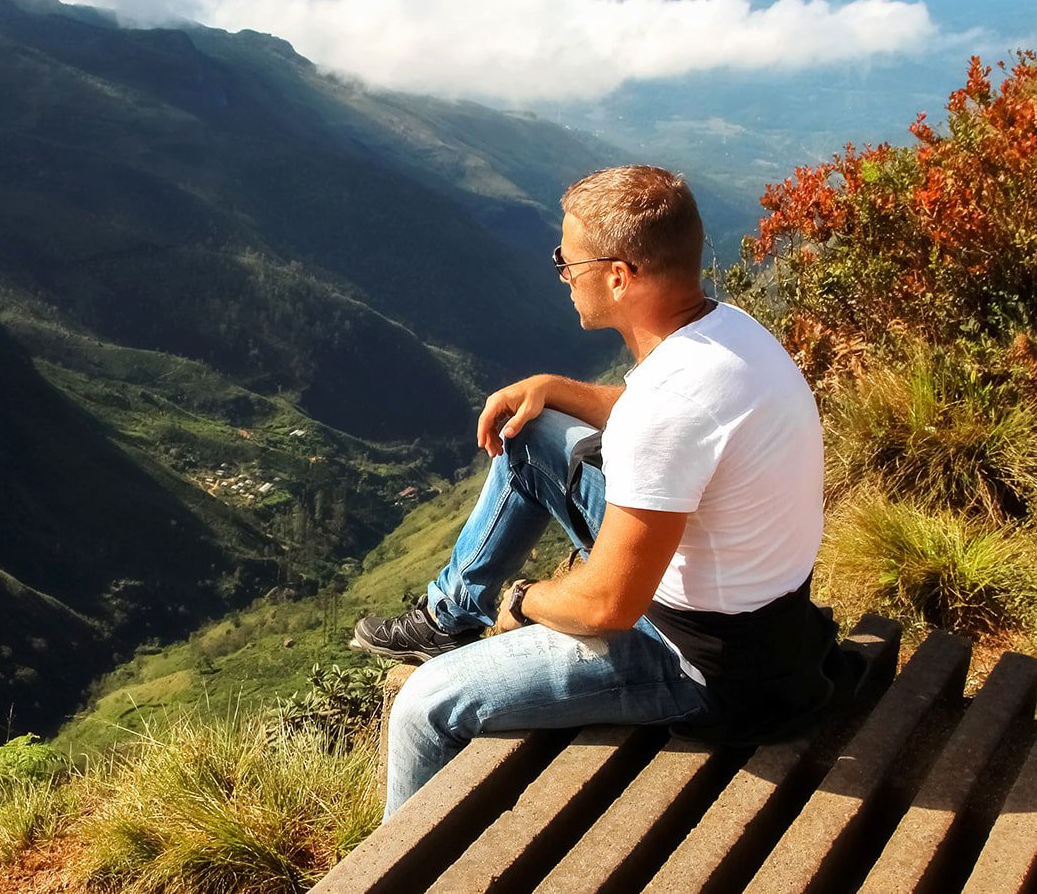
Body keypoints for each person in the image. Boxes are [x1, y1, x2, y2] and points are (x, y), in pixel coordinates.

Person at [352, 165, 838, 820]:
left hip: (700, 661)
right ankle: (450, 615)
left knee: (423, 709)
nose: (561, 274)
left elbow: (609, 606)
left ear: (618, 275)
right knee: (532, 433)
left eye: (567, 260)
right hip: (750, 616)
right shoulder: (725, 332)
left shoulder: (672, 407)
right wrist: (553, 388)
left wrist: (524, 601)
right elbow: (644, 415)